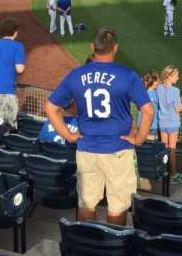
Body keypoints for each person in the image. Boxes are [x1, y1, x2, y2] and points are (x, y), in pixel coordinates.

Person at [45, 26, 154, 224]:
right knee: (117, 206)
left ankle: (87, 247)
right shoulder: (127, 75)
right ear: (115, 48)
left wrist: (68, 136)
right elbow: (148, 111)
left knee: (87, 204)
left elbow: (51, 107)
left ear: (92, 47)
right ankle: (113, 248)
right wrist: (139, 138)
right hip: (118, 150)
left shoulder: (76, 75)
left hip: (87, 150)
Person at [157, 65, 182, 183]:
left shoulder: (159, 88)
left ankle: (163, 172)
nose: (178, 78)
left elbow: (165, 102)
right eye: (176, 75)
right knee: (172, 149)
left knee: (164, 149)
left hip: (162, 123)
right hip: (173, 123)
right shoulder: (175, 90)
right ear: (169, 76)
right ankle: (173, 174)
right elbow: (177, 109)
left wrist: (178, 101)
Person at [143, 71, 160, 140]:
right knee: (152, 145)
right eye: (157, 80)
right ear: (154, 81)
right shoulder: (154, 93)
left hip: (144, 125)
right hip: (153, 125)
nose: (159, 82)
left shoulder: (144, 93)